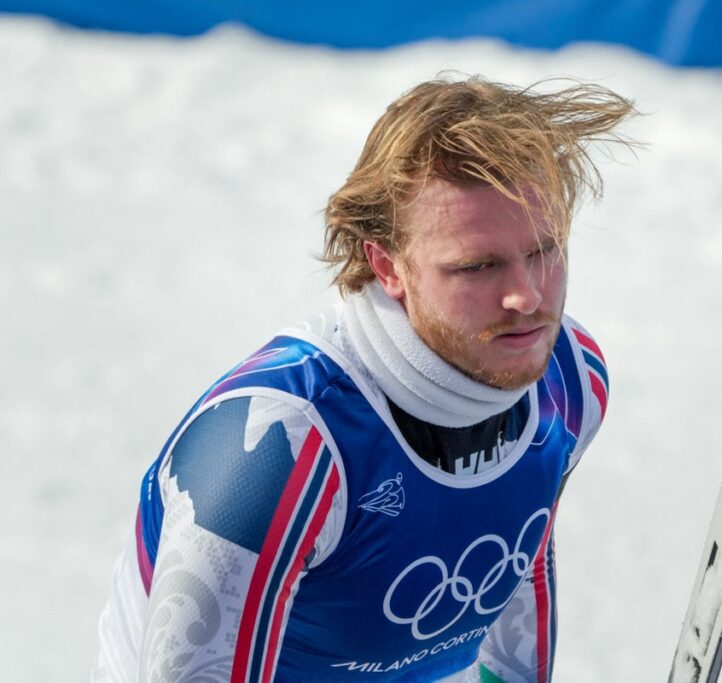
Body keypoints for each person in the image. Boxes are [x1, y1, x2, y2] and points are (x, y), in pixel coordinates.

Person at [92, 75, 634, 682]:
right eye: (477, 266)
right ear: (388, 266)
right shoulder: (276, 449)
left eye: (545, 250)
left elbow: (517, 561)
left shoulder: (569, 377)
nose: (527, 297)